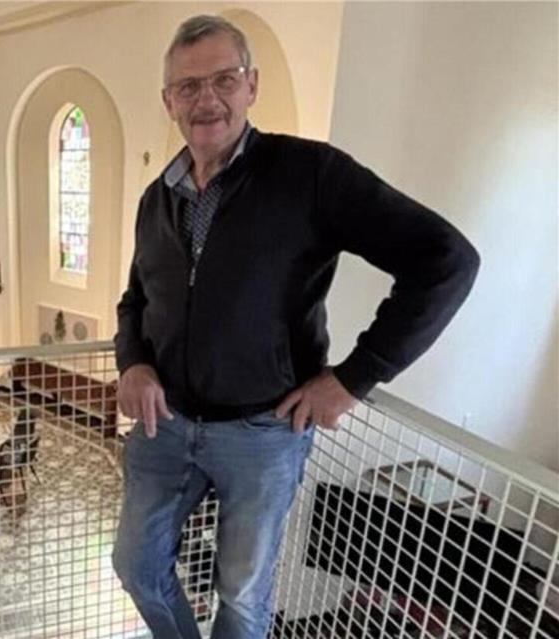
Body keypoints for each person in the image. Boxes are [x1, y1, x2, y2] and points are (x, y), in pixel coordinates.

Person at [111, 15, 480, 639]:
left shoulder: (310, 175)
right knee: (136, 564)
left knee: (243, 596)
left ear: (251, 85)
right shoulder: (158, 197)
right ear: (168, 100)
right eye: (189, 86)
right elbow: (135, 299)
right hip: (166, 425)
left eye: (224, 79)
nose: (207, 99)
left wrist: (355, 377)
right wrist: (134, 361)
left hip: (263, 433)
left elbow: (445, 260)